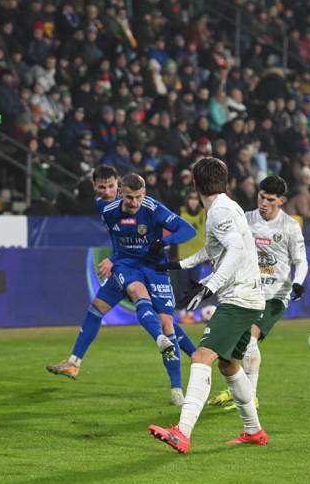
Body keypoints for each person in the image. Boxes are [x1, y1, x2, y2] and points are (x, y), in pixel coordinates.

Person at [46, 166, 199, 405]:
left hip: (155, 269)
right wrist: (114, 259)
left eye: (138, 197)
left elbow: (188, 230)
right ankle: (74, 362)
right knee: (99, 307)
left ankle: (181, 380)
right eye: (103, 187)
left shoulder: (151, 207)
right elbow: (121, 244)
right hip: (126, 266)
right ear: (117, 193)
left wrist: (164, 241)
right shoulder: (105, 209)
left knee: (166, 322)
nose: (134, 202)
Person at [150, 157, 268, 453]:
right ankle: (254, 431)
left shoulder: (220, 211)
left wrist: (208, 286)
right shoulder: (225, 207)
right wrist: (178, 264)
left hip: (239, 299)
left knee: (201, 356)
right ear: (224, 182)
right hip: (248, 298)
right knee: (230, 366)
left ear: (195, 184)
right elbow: (214, 248)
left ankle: (182, 431)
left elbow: (236, 250)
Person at [207, 175, 307, 410]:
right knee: (228, 349)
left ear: (281, 201)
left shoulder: (290, 226)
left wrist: (298, 283)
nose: (263, 202)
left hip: (274, 296)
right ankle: (236, 392)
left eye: (270, 199)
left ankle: (250, 397)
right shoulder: (245, 220)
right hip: (245, 292)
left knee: (250, 339)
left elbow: (301, 261)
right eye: (261, 197)